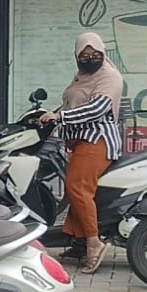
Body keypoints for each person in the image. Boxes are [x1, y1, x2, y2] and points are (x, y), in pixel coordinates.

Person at [52, 31, 124, 274]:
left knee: (77, 187)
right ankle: (79, 242)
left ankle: (94, 243)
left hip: (97, 140)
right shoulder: (80, 77)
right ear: (76, 56)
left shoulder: (109, 77)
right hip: (79, 141)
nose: (90, 58)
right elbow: (73, 102)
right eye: (84, 55)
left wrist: (61, 117)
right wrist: (51, 115)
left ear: (103, 53)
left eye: (95, 54)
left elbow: (96, 108)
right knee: (75, 189)